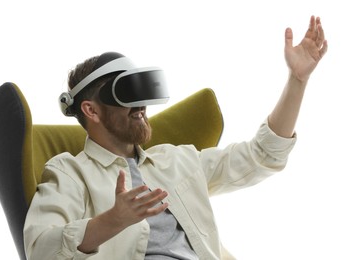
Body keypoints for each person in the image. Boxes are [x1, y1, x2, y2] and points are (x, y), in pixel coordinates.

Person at [24, 15, 327, 260]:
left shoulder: (177, 159)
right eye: (127, 92)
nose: (141, 105)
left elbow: (262, 156)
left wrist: (297, 80)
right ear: (92, 110)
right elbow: (40, 250)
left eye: (142, 91)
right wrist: (113, 219)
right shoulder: (69, 172)